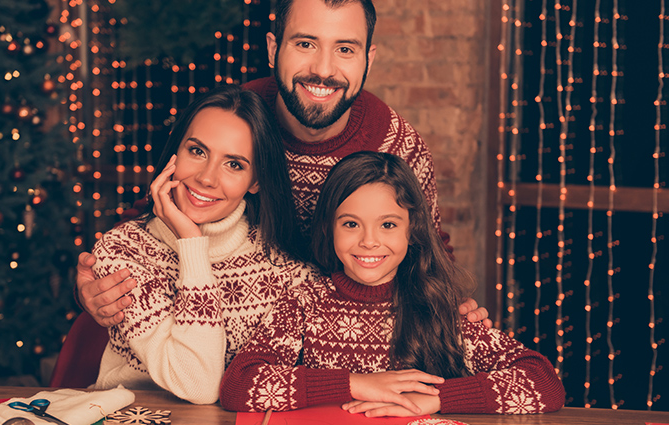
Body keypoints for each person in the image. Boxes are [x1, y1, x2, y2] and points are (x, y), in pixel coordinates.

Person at [75, 0, 490, 329]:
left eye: (345, 49)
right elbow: (156, 209)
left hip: (325, 338)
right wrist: (94, 286)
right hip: (202, 326)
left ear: (369, 57)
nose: (324, 70)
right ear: (274, 47)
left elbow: (428, 249)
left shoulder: (397, 143)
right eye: (305, 44)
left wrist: (454, 309)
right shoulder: (236, 118)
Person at [219, 152, 566, 416]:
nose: (369, 241)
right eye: (351, 224)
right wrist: (356, 384)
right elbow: (238, 385)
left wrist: (436, 399)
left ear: (411, 229)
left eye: (387, 225)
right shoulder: (305, 303)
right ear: (328, 227)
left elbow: (544, 382)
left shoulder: (438, 307)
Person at [90, 85, 321, 404]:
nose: (207, 178)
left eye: (234, 164)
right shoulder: (124, 250)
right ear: (175, 153)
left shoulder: (289, 274)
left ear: (256, 181)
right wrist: (192, 244)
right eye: (197, 151)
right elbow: (197, 384)